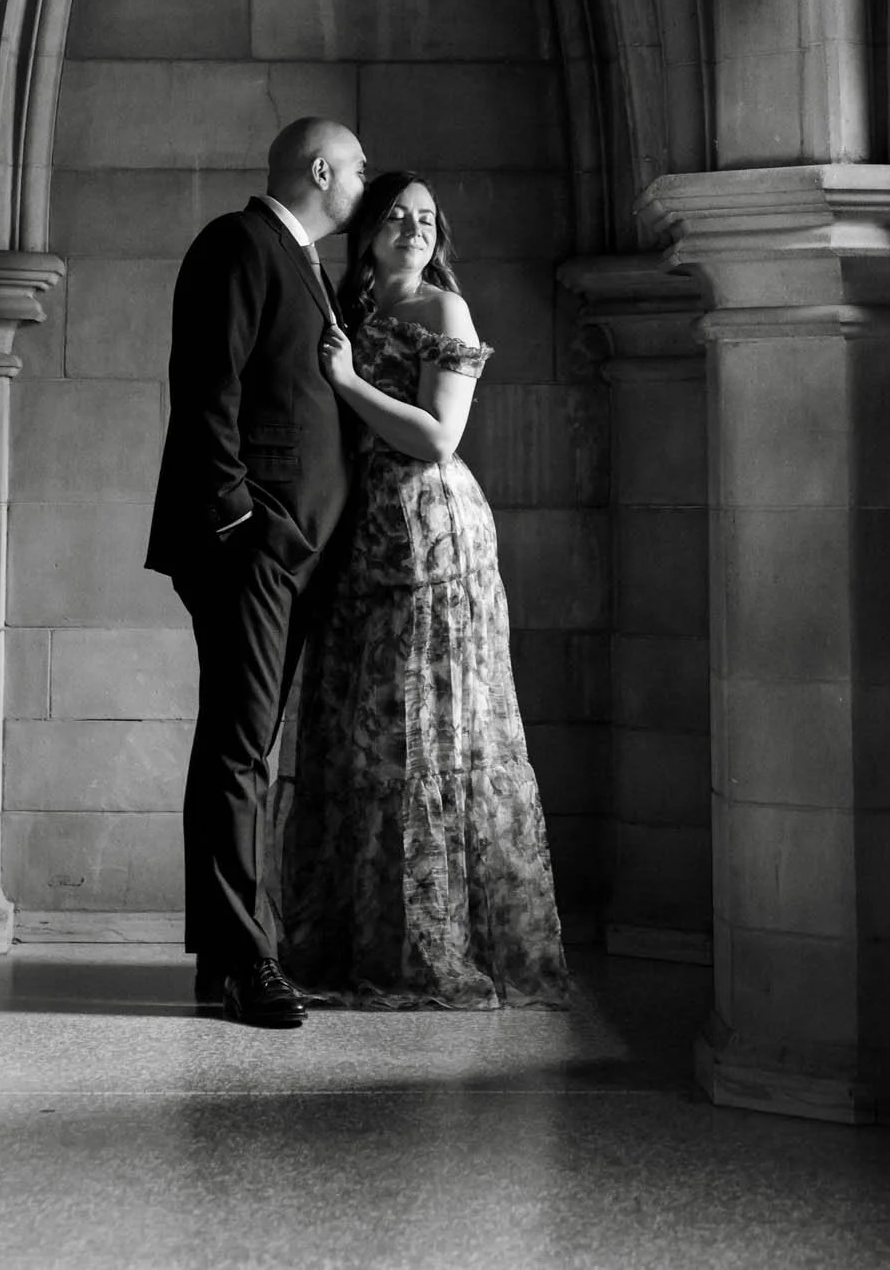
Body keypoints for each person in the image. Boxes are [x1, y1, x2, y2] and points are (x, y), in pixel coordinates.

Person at [279, 169, 571, 1008]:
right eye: (398, 217)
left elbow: (439, 437)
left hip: (427, 533)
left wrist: (348, 382)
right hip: (358, 538)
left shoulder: (444, 310)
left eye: (426, 219)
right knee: (363, 739)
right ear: (368, 231)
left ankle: (426, 950)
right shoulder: (350, 307)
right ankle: (351, 941)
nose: (414, 230)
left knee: (420, 737)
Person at [145, 116, 368, 1028]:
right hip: (253, 544)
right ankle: (246, 963)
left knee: (246, 746)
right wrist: (242, 521)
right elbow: (209, 386)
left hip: (292, 545)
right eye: (356, 170)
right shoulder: (238, 242)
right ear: (319, 170)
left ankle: (225, 953)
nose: (363, 184)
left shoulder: (304, 261)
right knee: (240, 750)